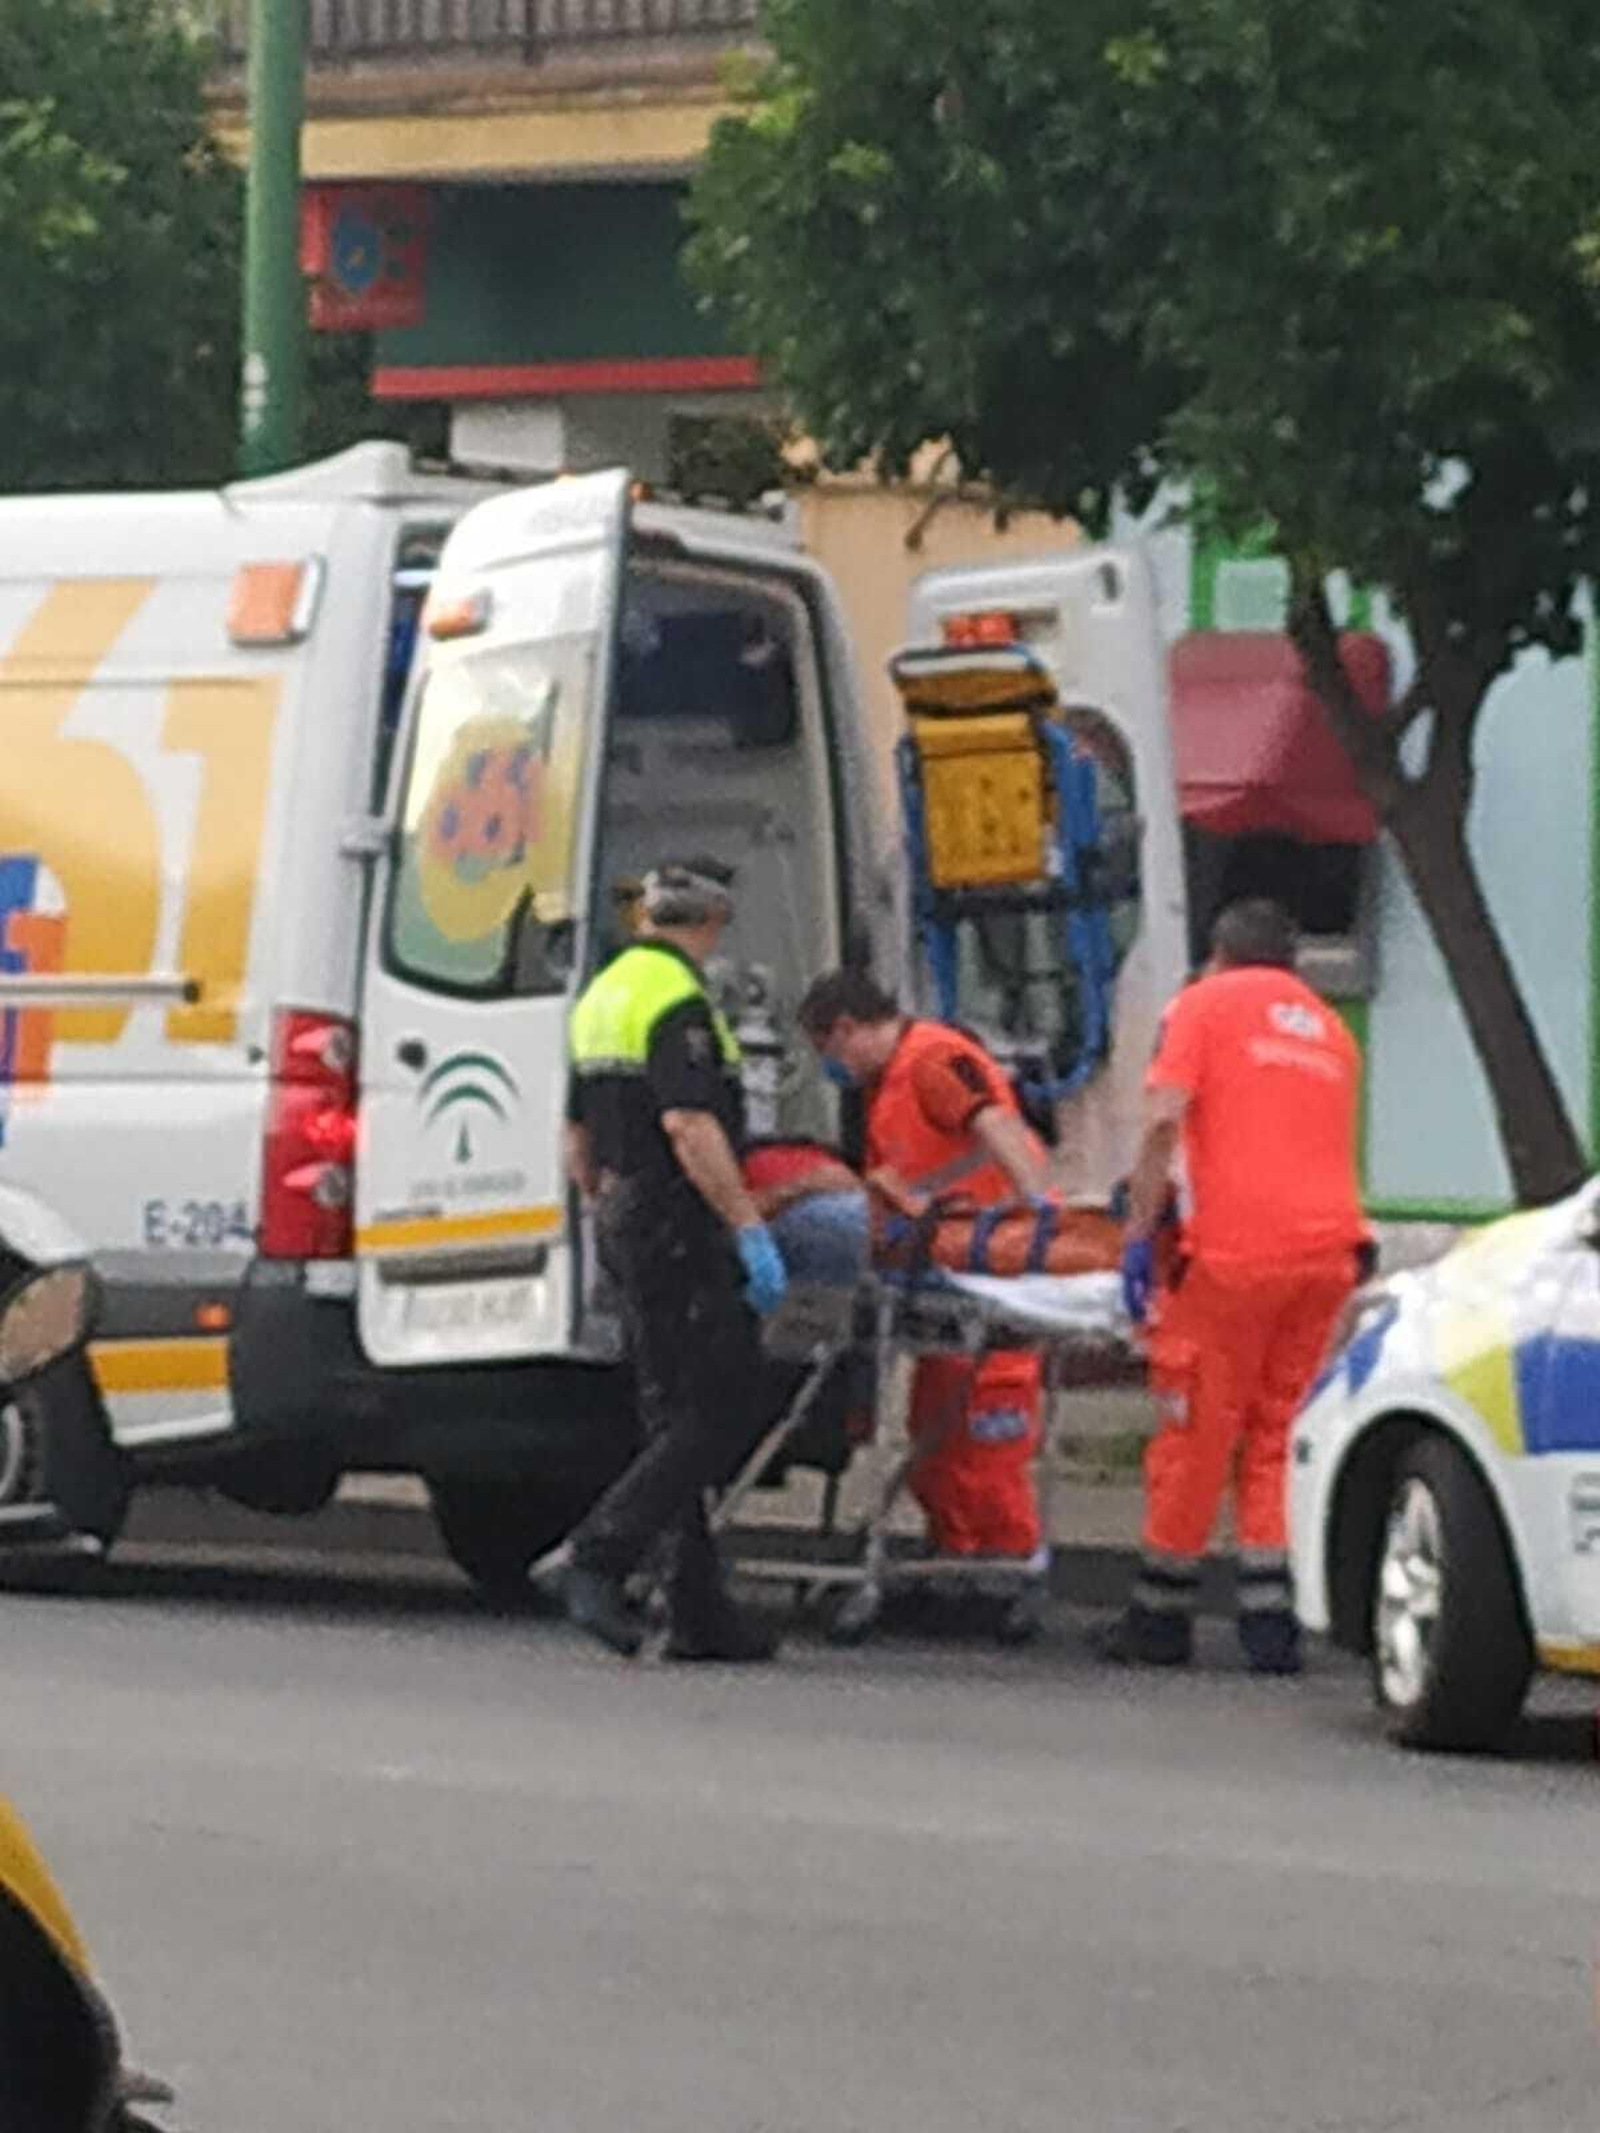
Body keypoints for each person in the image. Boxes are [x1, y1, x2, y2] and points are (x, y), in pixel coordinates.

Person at [1094, 897, 1369, 1675]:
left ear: (1219, 955)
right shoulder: (1330, 1027)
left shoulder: (1203, 1005)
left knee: (1196, 1426)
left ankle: (1160, 1612)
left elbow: (1161, 1123)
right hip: (1329, 1251)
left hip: (1236, 1253)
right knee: (1279, 1429)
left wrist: (1140, 1231)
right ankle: (1269, 1620)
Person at [560, 857, 788, 1663]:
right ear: (710, 920)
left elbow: (578, 1135)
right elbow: (692, 1125)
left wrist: (602, 1212)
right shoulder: (677, 1001)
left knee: (668, 1412)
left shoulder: (601, 998)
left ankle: (697, 1610)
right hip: (676, 1219)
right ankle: (597, 1554)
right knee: (724, 1404)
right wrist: (747, 1226)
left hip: (626, 1212)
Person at [796, 969, 1055, 1560]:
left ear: (846, 1028)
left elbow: (1000, 1128)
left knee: (983, 1450)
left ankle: (1004, 1563)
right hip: (949, 1273)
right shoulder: (888, 1085)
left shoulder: (932, 1060)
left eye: (827, 1051)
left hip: (992, 1268)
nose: (833, 1068)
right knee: (938, 1450)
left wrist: (1043, 1223)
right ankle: (958, 1559)